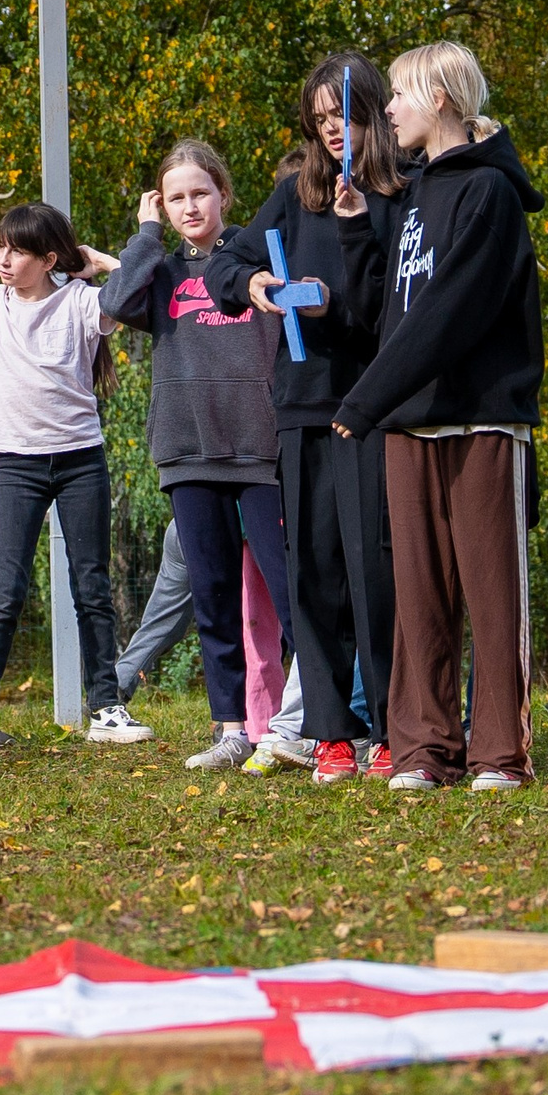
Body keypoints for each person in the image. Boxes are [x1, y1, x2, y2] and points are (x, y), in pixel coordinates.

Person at [331, 40, 546, 794]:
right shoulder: (415, 196)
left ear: (444, 99)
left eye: (400, 94)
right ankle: (424, 752)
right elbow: (388, 317)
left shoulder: (488, 195)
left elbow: (449, 314)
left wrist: (364, 400)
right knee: (418, 603)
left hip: (482, 423)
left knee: (492, 602)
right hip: (410, 428)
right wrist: (358, 230)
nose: (387, 109)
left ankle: (499, 756)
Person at [210, 53, 409, 785]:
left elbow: (393, 301)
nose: (332, 132)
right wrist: (256, 280)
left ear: (375, 117)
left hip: (375, 408)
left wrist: (353, 245)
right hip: (302, 409)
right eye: (320, 120)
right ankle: (329, 733)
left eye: (344, 117)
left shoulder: (402, 196)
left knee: (376, 571)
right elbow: (223, 264)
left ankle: (390, 727)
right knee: (315, 574)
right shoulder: (294, 196)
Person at [103, 140, 287, 769]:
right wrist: (145, 235)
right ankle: (231, 728)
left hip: (263, 452)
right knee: (211, 595)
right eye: (175, 197)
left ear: (224, 196)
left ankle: (310, 722)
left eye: (200, 193)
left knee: (290, 595)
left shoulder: (256, 255)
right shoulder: (159, 271)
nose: (190, 206)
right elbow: (113, 303)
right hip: (189, 451)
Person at [0, 206, 136, 748]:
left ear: (48, 259)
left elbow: (139, 292)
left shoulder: (82, 302)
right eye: (0, 246)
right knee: (6, 586)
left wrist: (96, 262)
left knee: (91, 585)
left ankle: (107, 710)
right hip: (18, 465)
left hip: (80, 461)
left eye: (19, 251)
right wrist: (10, 243)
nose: (2, 258)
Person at [114, 521, 189, 695]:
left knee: (162, 622)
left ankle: (111, 694)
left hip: (181, 523)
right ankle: (237, 714)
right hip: (230, 523)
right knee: (243, 618)